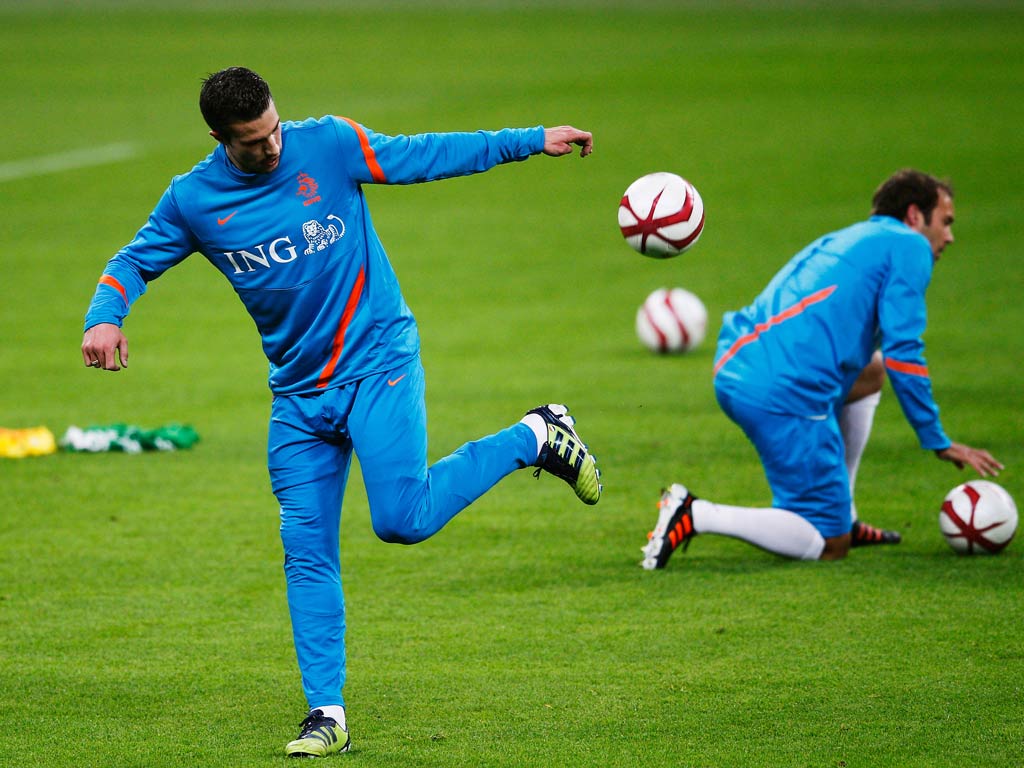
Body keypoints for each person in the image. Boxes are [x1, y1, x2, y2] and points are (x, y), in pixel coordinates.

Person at [80, 66, 602, 757]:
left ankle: (534, 436)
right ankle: (326, 714)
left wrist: (530, 140)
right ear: (218, 137)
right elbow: (132, 261)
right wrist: (104, 318)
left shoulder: (325, 144)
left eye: (273, 129)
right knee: (305, 553)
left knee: (402, 521)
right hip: (298, 398)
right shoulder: (194, 201)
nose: (272, 148)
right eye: (254, 143)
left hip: (378, 364)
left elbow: (425, 155)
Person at [640, 169, 1003, 570]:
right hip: (783, 387)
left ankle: (842, 513)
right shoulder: (909, 247)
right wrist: (936, 439)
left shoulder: (853, 237)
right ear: (915, 215)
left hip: (739, 362)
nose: (949, 236)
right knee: (829, 543)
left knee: (871, 373)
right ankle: (695, 513)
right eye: (946, 222)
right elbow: (905, 352)